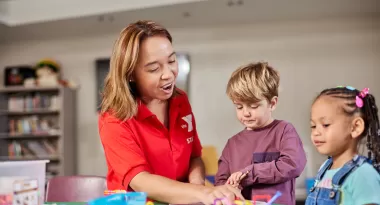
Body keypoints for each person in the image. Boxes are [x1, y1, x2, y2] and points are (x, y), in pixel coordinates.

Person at [98, 20, 243, 205]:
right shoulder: (114, 118)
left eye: (172, 61)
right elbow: (141, 180)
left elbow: (194, 157)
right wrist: (202, 193)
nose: (169, 74)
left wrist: (197, 187)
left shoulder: (180, 100)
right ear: (130, 74)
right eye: (154, 69)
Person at [214, 62, 307, 205]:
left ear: (272, 103)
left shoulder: (284, 131)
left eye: (253, 106)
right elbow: (220, 183)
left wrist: (250, 174)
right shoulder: (232, 144)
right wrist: (229, 188)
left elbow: (293, 164)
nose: (246, 113)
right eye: (239, 107)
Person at [306, 86, 380, 205]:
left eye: (325, 124)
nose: (316, 132)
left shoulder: (364, 175)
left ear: (355, 127)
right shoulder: (325, 168)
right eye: (313, 126)